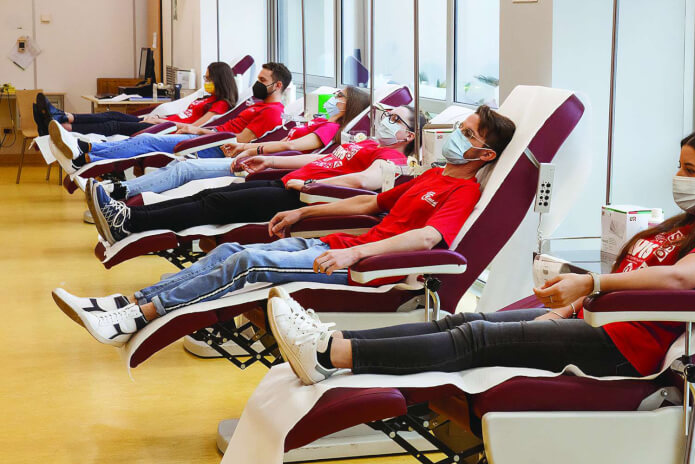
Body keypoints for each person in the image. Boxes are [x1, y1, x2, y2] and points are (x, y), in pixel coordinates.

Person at [260, 128, 695, 385]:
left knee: (478, 339)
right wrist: (570, 306)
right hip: (594, 322)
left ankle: (329, 357)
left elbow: (683, 280)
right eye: (679, 166)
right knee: (465, 321)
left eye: (690, 169)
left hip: (624, 348)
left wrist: (591, 286)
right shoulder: (682, 225)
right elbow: (637, 278)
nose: (678, 177)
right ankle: (330, 341)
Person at [51, 105, 516, 347]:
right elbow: (372, 201)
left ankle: (139, 316)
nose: (456, 138)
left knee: (251, 263)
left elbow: (429, 238)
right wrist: (303, 214)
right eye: (461, 128)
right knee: (230, 251)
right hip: (334, 244)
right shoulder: (433, 175)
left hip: (364, 271)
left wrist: (355, 253)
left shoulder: (463, 192)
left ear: (484, 154)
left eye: (468, 135)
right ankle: (131, 301)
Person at [85, 104, 420, 244]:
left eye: (395, 119)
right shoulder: (363, 143)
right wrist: (269, 161)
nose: (385, 121)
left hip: (302, 197)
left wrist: (313, 184)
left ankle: (129, 223)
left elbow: (364, 182)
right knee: (207, 195)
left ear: (409, 135)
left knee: (214, 205)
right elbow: (319, 159)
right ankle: (127, 215)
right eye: (385, 115)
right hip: (287, 183)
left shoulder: (391, 157)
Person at [103, 86, 371, 201]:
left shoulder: (330, 128)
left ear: (349, 105)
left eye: (340, 95)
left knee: (183, 168)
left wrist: (249, 149)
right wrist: (248, 148)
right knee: (177, 165)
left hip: (264, 165)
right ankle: (122, 190)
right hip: (255, 155)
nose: (334, 97)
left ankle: (120, 192)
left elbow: (293, 147)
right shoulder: (318, 120)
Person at [48, 62, 290, 169]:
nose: (258, 84)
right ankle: (87, 150)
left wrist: (197, 131)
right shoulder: (255, 105)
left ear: (277, 86)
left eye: (262, 80)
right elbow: (225, 128)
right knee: (137, 135)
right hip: (205, 135)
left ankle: (86, 155)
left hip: (211, 144)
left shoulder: (271, 112)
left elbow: (239, 140)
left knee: (147, 141)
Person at [33, 62, 238, 137]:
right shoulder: (206, 97)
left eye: (209, 79)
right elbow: (186, 115)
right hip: (163, 123)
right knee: (113, 114)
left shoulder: (221, 104)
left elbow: (194, 126)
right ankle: (61, 117)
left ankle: (63, 128)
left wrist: (161, 122)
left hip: (167, 130)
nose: (206, 82)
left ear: (220, 80)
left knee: (114, 125)